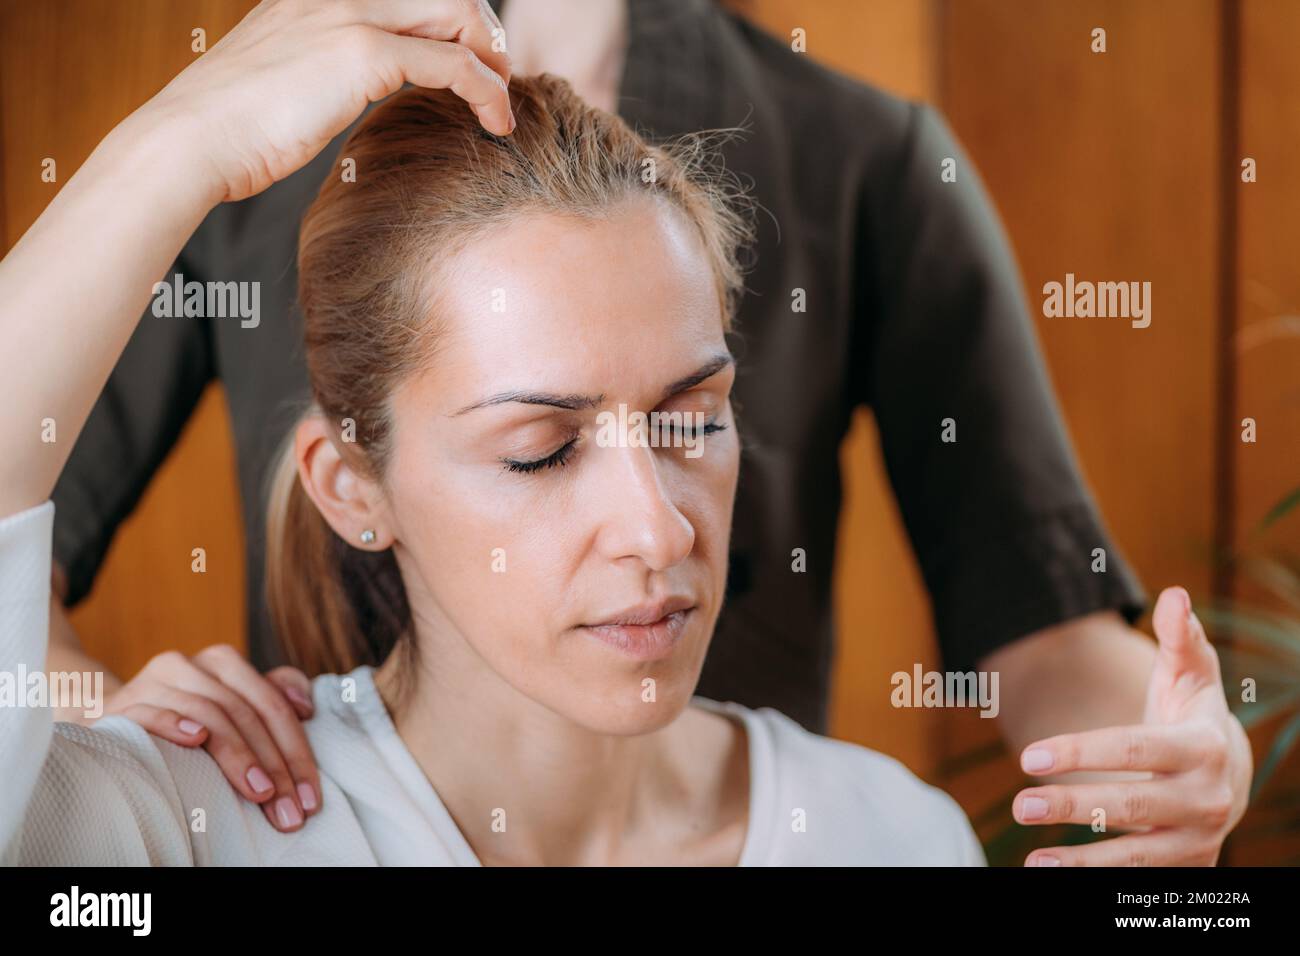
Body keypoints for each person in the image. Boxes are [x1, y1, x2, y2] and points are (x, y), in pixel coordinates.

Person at [42, 0, 1251, 863]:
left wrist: (1168, 766)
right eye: (537, 448)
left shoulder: (862, 158)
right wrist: (103, 733)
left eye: (694, 419)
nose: (654, 523)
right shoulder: (189, 828)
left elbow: (1042, 628)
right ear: (346, 482)